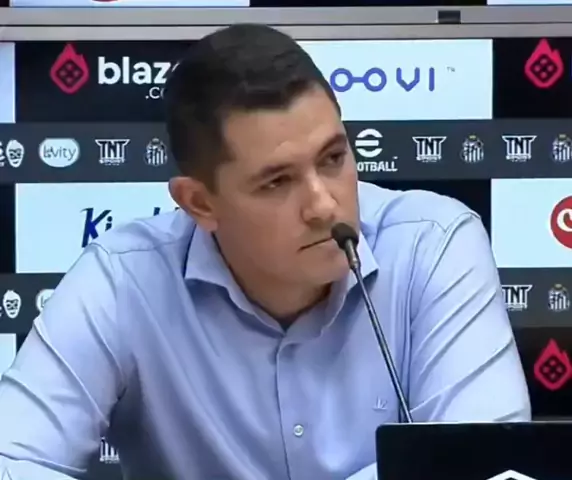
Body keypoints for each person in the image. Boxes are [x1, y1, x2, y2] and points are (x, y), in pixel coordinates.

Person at [0, 23, 530, 480]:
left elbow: (486, 465)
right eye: (277, 182)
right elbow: (13, 458)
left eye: (333, 159)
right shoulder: (124, 282)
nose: (323, 205)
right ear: (200, 203)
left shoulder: (432, 245)